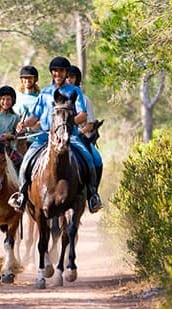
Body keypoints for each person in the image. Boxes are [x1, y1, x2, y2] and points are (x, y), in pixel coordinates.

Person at [8, 56, 102, 213]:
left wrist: (67, 124)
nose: (58, 73)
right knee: (26, 162)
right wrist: (24, 124)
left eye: (61, 71)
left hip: (70, 136)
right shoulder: (45, 93)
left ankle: (93, 195)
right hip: (45, 136)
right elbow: (35, 116)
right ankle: (22, 195)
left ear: (66, 73)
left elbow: (83, 115)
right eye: (55, 71)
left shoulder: (74, 91)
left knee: (93, 159)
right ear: (52, 73)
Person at [66, 65, 103, 213]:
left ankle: (93, 194)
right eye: (67, 77)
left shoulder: (85, 99)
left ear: (77, 79)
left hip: (79, 137)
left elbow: (90, 124)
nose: (69, 79)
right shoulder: (57, 96)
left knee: (96, 159)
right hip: (58, 136)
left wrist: (79, 132)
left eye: (72, 77)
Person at [13, 65, 41, 150]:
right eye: (25, 78)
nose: (27, 80)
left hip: (35, 139)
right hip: (16, 138)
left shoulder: (40, 98)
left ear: (35, 79)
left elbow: (43, 118)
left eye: (30, 78)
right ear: (21, 79)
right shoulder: (15, 96)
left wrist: (33, 126)